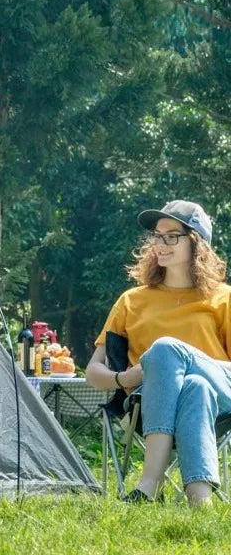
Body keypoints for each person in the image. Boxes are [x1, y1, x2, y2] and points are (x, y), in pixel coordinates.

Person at [86, 200, 231, 505]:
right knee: (195, 387)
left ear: (197, 243)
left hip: (223, 398)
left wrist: (170, 359)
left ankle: (150, 482)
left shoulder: (223, 298)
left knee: (167, 350)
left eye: (171, 236)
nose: (160, 244)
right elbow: (93, 372)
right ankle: (200, 503)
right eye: (157, 236)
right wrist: (127, 376)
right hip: (146, 404)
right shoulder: (132, 300)